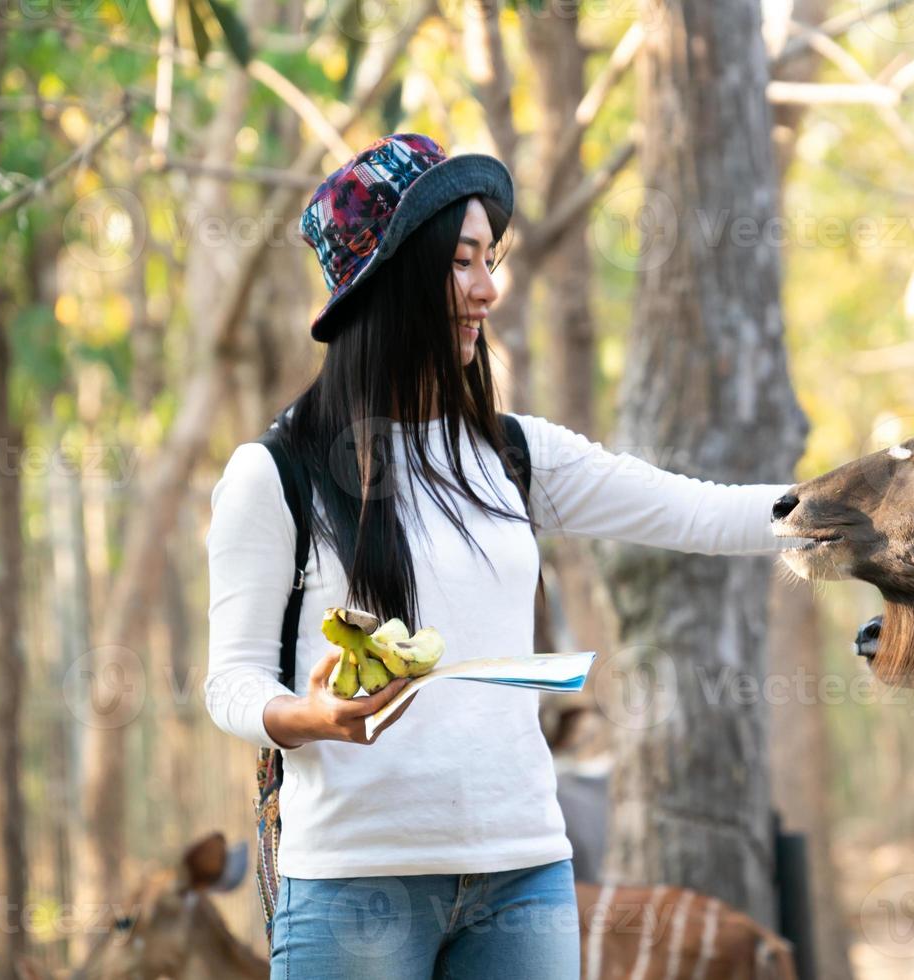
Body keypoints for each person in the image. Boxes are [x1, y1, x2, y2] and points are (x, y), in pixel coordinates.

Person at [202, 133, 793, 979]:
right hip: (356, 889)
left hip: (524, 874)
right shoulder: (277, 473)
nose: (488, 288)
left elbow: (696, 510)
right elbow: (231, 681)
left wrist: (864, 506)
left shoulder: (514, 455)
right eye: (462, 264)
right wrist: (313, 717)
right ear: (395, 283)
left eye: (491, 258)